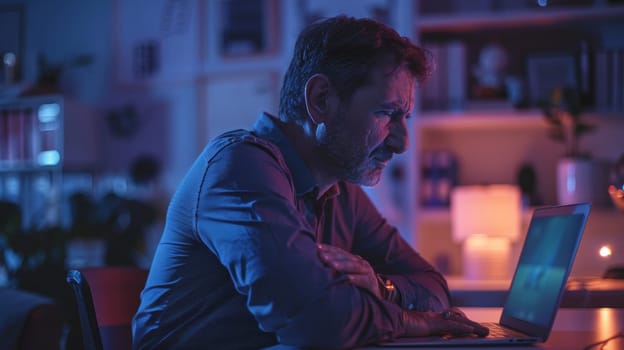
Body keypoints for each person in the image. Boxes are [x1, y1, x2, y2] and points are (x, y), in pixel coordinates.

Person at [132, 15, 488, 349]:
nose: (402, 143)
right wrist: (417, 322)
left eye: (405, 117)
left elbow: (434, 287)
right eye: (385, 113)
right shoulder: (239, 166)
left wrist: (383, 286)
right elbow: (321, 323)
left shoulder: (339, 189)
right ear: (320, 100)